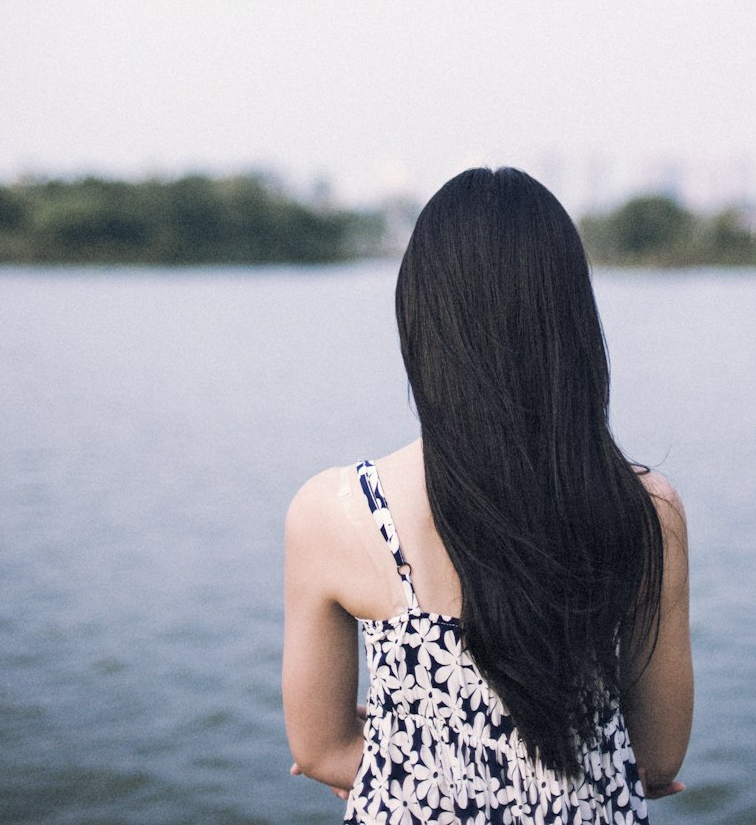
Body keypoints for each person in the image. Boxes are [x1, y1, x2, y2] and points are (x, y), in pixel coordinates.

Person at [283, 167, 693, 822]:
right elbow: (659, 757)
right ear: (571, 321)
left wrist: (408, 751)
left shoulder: (337, 512)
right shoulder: (645, 510)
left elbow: (322, 747)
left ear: (419, 317)